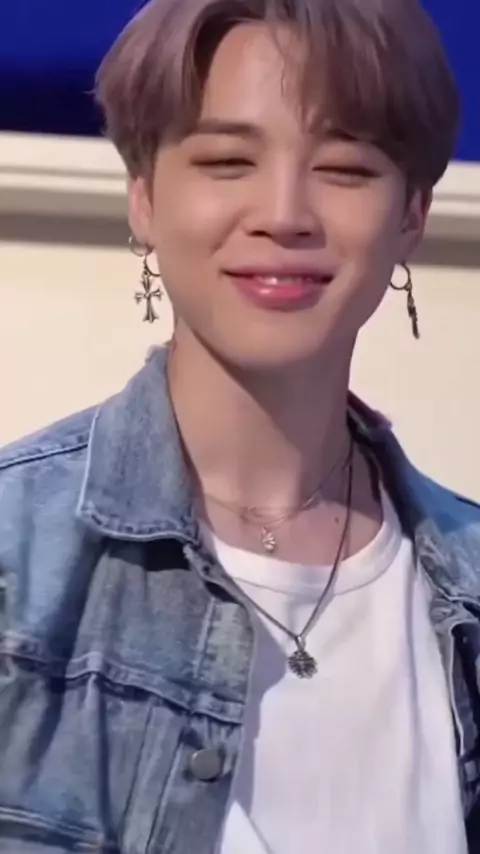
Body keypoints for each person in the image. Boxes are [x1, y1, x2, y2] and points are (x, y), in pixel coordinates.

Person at [0, 0, 479, 851]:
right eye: (227, 161)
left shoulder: (464, 588)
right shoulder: (17, 564)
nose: (284, 212)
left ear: (412, 212)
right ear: (144, 197)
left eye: (345, 168)